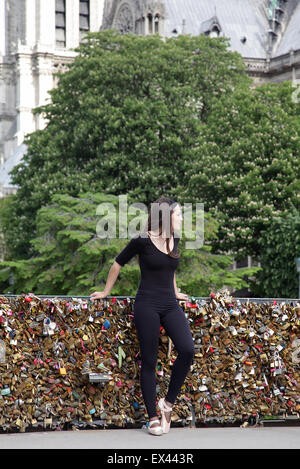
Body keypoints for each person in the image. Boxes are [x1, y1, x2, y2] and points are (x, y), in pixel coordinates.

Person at [90, 197, 195, 436]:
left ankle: (166, 404)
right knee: (149, 361)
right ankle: (153, 417)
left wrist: (176, 291)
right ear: (166, 216)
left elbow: (170, 269)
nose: (181, 219)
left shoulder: (174, 239)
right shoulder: (142, 240)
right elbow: (117, 263)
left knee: (187, 349)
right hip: (147, 304)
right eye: (178, 215)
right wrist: (106, 291)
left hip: (169, 304)